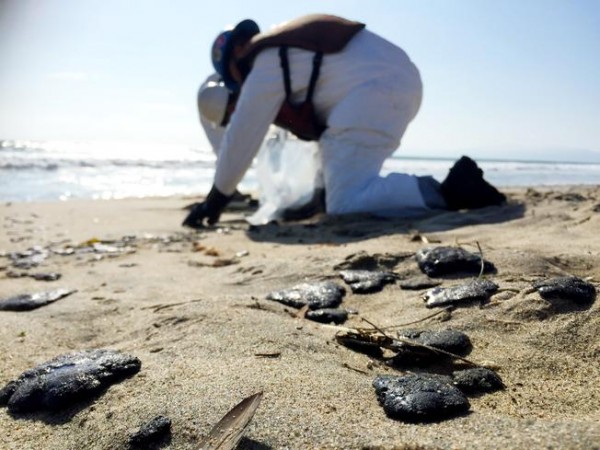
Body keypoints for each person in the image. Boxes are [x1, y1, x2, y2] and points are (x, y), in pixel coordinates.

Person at [183, 14, 505, 228]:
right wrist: (314, 197)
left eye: (234, 79)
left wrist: (215, 201)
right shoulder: (287, 53)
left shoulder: (264, 61)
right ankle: (439, 190)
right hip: (391, 82)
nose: (240, 89)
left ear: (239, 50)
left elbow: (243, 135)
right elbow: (323, 140)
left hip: (375, 92)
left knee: (346, 203)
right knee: (337, 192)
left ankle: (450, 191)